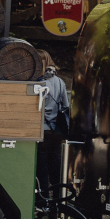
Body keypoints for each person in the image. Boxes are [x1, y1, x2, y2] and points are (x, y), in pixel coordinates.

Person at [36, 50, 69, 191]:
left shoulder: (37, 82)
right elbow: (65, 105)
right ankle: (57, 200)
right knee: (55, 167)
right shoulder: (60, 82)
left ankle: (43, 202)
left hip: (40, 131)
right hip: (56, 131)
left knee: (41, 169)